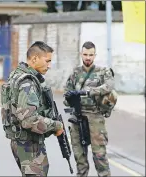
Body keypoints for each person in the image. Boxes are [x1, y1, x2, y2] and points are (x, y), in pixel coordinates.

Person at [1, 41, 64, 176]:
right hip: (28, 143)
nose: (49, 65)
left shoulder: (17, 74)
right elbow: (29, 120)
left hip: (22, 141)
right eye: (47, 61)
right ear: (34, 58)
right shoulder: (27, 83)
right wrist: (55, 125)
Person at [63, 41, 116, 177]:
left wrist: (90, 91)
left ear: (95, 55)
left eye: (91, 55)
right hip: (77, 117)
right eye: (85, 54)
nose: (88, 57)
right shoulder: (75, 73)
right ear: (81, 54)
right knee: (79, 158)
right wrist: (69, 97)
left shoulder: (103, 72)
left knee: (100, 158)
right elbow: (66, 92)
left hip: (95, 117)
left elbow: (109, 86)